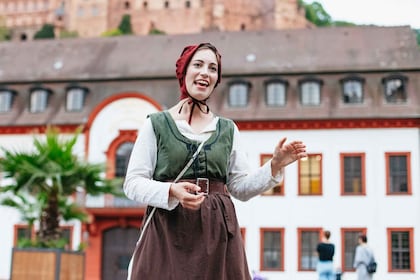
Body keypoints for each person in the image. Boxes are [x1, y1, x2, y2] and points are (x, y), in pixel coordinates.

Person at [123, 42, 307, 279]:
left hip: (217, 232)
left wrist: (275, 165)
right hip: (168, 230)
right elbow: (133, 183)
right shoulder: (156, 124)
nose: (205, 73)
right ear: (183, 71)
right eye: (197, 65)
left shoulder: (227, 129)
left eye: (212, 68)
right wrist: (172, 191)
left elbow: (239, 188)